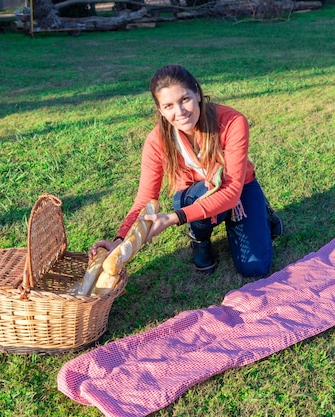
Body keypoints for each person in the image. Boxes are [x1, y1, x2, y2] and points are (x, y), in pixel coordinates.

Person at [89, 64, 283, 277]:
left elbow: (231, 190)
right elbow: (145, 199)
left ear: (197, 93)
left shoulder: (232, 121)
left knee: (254, 267)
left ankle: (258, 211)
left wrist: (176, 218)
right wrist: (119, 240)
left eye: (185, 99)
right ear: (160, 110)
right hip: (195, 195)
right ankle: (200, 237)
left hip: (236, 191)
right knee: (192, 198)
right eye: (169, 105)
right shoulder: (156, 141)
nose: (180, 112)